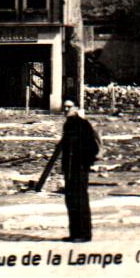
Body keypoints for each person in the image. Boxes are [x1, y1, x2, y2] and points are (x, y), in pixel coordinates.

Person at [61, 99, 102, 242]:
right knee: (71, 200)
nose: (66, 110)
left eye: (69, 107)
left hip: (79, 168)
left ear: (76, 108)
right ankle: (74, 233)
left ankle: (84, 234)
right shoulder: (68, 124)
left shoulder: (82, 124)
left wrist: (84, 163)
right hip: (70, 169)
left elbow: (92, 147)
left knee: (80, 201)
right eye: (64, 107)